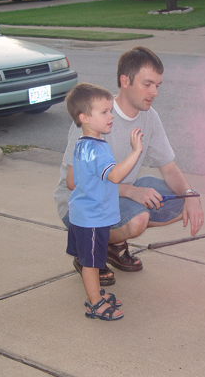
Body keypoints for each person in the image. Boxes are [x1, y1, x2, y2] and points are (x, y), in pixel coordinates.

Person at [54, 46, 204, 284]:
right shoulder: (95, 116)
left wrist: (191, 194)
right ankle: (88, 252)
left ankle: (112, 245)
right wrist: (131, 191)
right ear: (125, 80)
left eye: (157, 85)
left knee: (180, 201)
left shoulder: (149, 117)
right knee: (138, 219)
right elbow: (75, 183)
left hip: (117, 197)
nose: (154, 91)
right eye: (147, 84)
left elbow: (168, 167)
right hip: (83, 205)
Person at [66, 82, 143, 321]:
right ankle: (95, 302)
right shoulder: (97, 149)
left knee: (92, 260)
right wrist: (135, 151)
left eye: (110, 110)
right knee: (91, 263)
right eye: (104, 112)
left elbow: (74, 180)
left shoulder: (82, 143)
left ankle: (96, 293)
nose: (111, 116)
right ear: (84, 117)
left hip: (83, 212)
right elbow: (116, 175)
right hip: (92, 217)